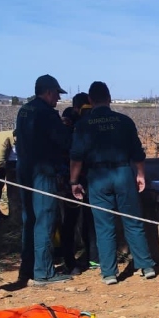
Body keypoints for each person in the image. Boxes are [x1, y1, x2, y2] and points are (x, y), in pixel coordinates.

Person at [69, 81, 157, 285]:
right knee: (132, 221)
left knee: (103, 226)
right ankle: (146, 266)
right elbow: (137, 152)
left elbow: (76, 157)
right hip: (122, 173)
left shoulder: (83, 124)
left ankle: (109, 273)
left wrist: (74, 181)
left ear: (90, 100)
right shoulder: (124, 121)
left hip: (97, 176)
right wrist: (140, 174)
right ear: (109, 98)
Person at [15, 74, 72, 285]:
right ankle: (44, 272)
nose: (58, 98)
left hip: (24, 169)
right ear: (48, 92)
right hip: (43, 171)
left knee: (29, 219)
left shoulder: (24, 109)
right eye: (57, 94)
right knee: (45, 219)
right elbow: (64, 142)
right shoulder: (47, 114)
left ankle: (26, 270)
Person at [60, 95, 98, 273]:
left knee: (88, 220)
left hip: (87, 178)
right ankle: (70, 261)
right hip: (72, 179)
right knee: (71, 220)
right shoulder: (68, 125)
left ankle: (93, 258)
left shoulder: (88, 125)